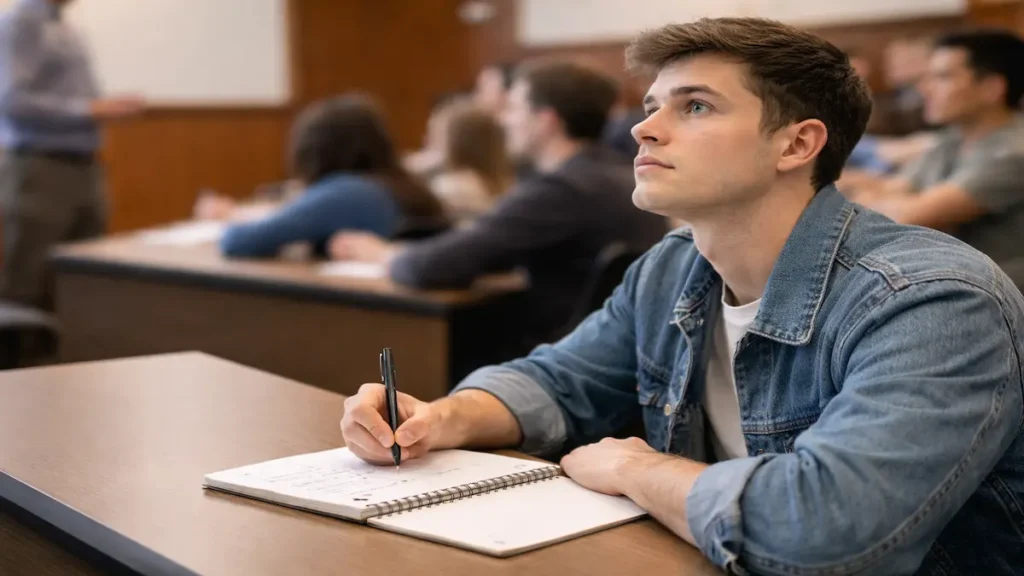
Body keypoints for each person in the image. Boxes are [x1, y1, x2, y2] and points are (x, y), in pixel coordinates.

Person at [340, 17, 1024, 575]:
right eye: (650, 107)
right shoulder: (671, 267)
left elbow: (825, 528)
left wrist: (638, 468)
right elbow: (556, 381)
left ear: (797, 144)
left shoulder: (934, 301)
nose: (643, 129)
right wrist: (441, 418)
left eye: (694, 106)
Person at [330, 61, 668, 349]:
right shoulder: (623, 175)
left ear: (545, 120)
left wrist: (382, 254)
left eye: (513, 109)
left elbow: (432, 267)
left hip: (553, 355)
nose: (503, 121)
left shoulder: (561, 190)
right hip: (612, 347)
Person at [0, 0, 144, 309]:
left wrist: (104, 106)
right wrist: (87, 109)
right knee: (29, 281)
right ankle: (24, 355)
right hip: (42, 166)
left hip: (84, 163)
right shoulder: (21, 23)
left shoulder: (66, 27)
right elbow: (12, 102)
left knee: (85, 275)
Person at [850, 30, 1024, 267]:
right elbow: (891, 186)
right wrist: (885, 197)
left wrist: (893, 201)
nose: (925, 89)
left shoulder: (1012, 152)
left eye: (943, 77)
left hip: (993, 294)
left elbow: (904, 218)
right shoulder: (953, 137)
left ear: (991, 88)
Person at [216, 94, 445, 259]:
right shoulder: (397, 184)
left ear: (312, 150)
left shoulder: (345, 191)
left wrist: (237, 219)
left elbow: (238, 241)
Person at [427, 100, 512, 222]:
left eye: (436, 136)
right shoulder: (509, 185)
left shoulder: (450, 187)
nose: (428, 143)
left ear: (456, 143)